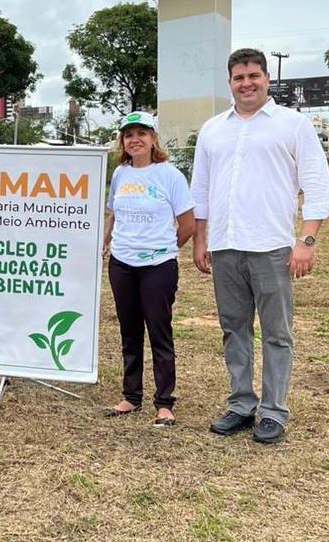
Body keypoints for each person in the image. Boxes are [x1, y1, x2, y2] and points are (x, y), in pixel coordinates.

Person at [191, 49, 329, 444]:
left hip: (271, 246)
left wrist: (306, 240)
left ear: (267, 78)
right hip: (225, 247)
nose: (246, 83)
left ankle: (273, 411)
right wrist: (201, 238)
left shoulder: (292, 125)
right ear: (230, 82)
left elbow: (318, 183)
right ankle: (241, 404)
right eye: (239, 77)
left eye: (253, 75)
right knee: (233, 329)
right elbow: (200, 189)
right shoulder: (213, 130)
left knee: (276, 333)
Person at [102, 111, 194, 427]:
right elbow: (113, 213)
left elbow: (187, 224)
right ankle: (131, 396)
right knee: (129, 332)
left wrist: (164, 248)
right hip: (122, 265)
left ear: (154, 139)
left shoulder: (170, 175)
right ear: (122, 141)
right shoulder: (120, 174)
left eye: (142, 133)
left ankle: (164, 403)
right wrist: (105, 240)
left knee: (159, 331)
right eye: (129, 135)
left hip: (158, 266)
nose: (135, 139)